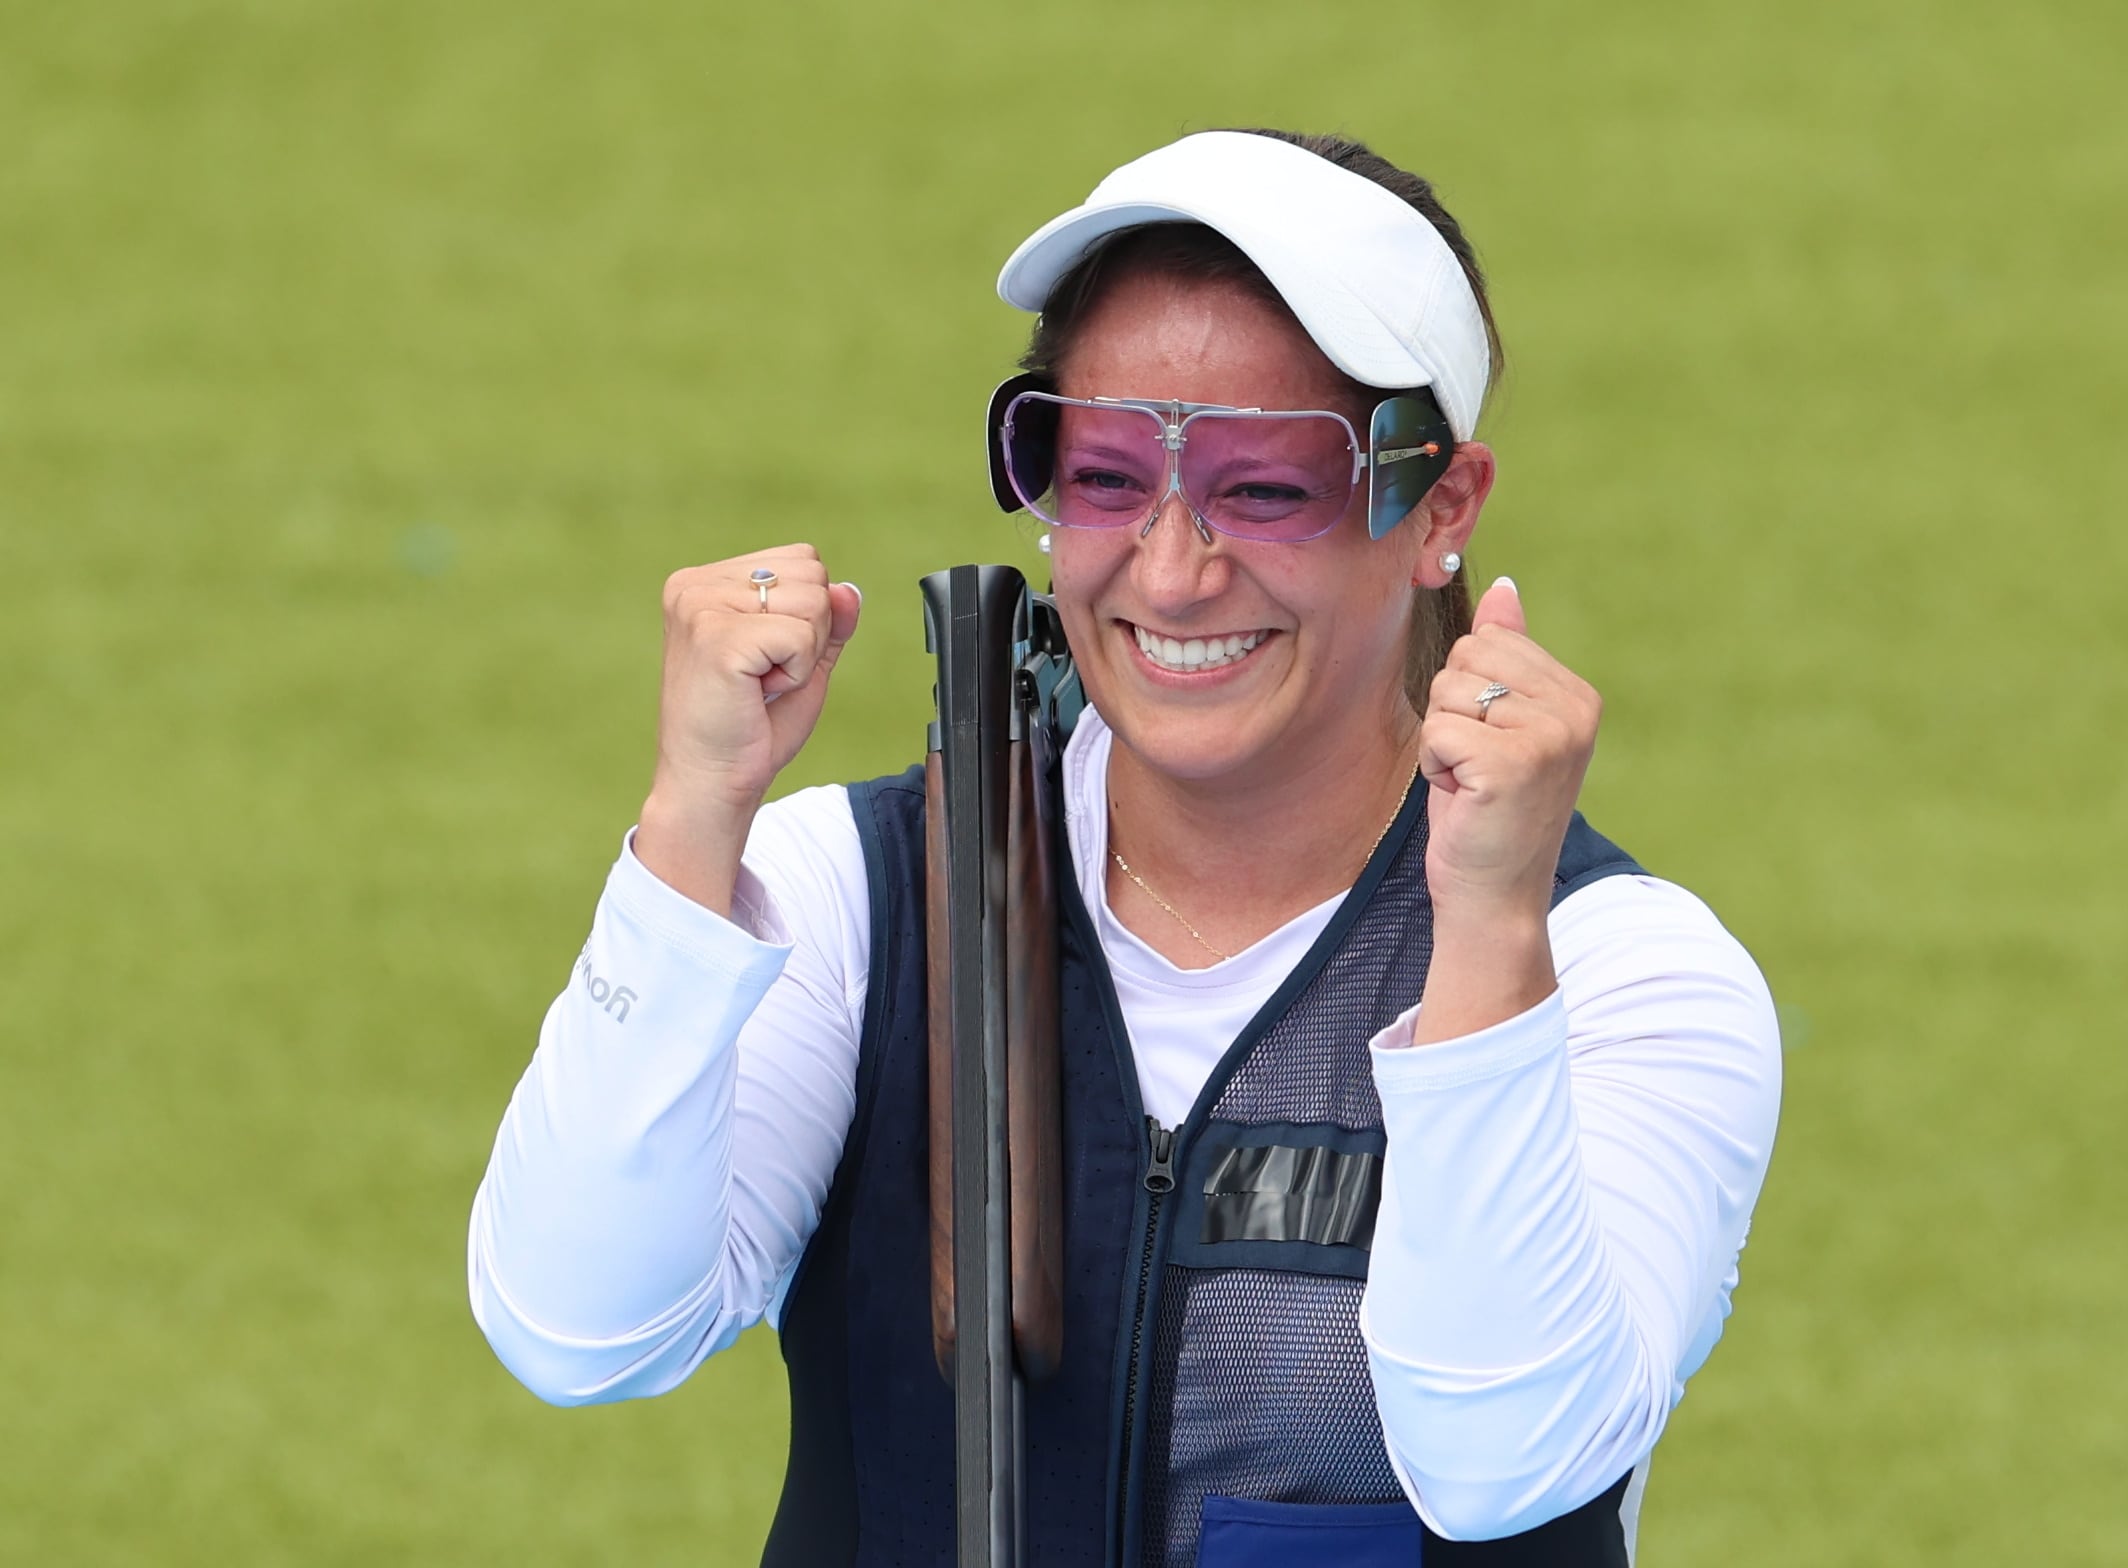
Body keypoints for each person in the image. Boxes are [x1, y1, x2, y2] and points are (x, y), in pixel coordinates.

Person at [468, 129, 1781, 1566]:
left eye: (1266, 485)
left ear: (1440, 511)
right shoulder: (854, 892)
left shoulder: (1626, 972)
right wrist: (688, 828)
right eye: (1098, 475)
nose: (1168, 567)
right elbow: (574, 1326)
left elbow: (1501, 1462)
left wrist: (1481, 936)